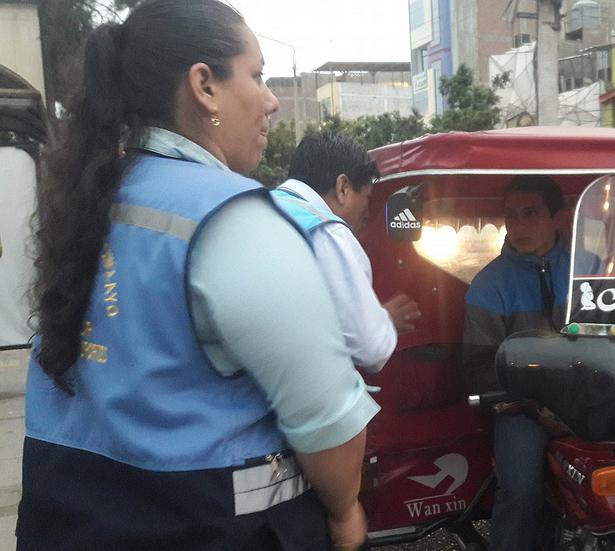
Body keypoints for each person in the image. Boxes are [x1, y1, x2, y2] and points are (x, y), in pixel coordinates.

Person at [19, 1, 376, 549]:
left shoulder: (88, 201)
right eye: (257, 75)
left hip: (65, 517)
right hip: (218, 526)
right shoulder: (235, 218)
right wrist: (346, 509)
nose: (272, 100)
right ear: (204, 86)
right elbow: (327, 421)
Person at [462, 175, 569, 551]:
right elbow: (478, 365)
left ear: (559, 218)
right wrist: (532, 404)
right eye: (511, 214)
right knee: (520, 491)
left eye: (531, 213)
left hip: (590, 403)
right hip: (523, 409)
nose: (519, 224)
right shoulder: (489, 284)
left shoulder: (591, 270)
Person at [272, 133, 420, 373]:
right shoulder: (329, 234)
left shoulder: (260, 209)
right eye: (367, 198)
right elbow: (371, 349)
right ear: (343, 188)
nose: (368, 212)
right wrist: (386, 318)